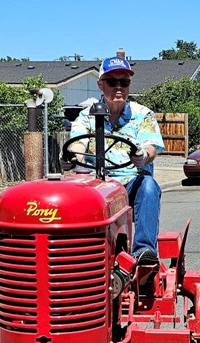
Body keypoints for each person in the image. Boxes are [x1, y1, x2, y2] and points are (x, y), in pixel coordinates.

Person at [63, 56, 165, 264]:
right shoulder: (85, 117)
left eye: (124, 82)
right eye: (112, 82)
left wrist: (142, 156)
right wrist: (73, 157)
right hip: (96, 187)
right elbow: (77, 145)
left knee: (148, 186)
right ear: (100, 85)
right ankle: (76, 258)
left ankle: (143, 253)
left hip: (130, 185)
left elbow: (150, 147)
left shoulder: (143, 115)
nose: (119, 87)